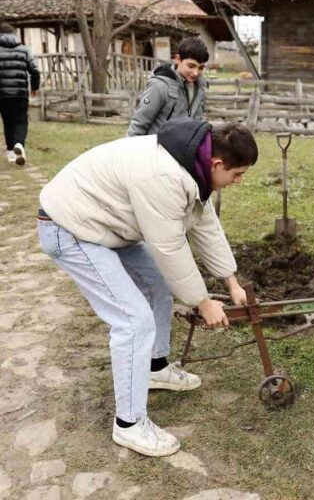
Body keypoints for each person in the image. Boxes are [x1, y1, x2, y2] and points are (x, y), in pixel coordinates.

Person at [37, 117, 258, 456]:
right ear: (216, 163)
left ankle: (155, 368)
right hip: (71, 226)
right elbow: (169, 247)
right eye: (238, 174)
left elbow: (204, 223)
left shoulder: (194, 167)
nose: (240, 182)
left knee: (156, 286)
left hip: (107, 222)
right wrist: (202, 302)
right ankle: (129, 424)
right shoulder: (164, 177)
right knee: (132, 320)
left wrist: (230, 280)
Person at [127, 36, 209, 137]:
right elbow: (139, 123)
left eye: (201, 68)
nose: (196, 73)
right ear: (178, 59)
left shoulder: (200, 88)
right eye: (191, 66)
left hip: (183, 150)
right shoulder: (159, 86)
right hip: (156, 148)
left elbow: (197, 121)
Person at [0, 22, 40, 165]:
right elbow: (34, 70)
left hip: (2, 94)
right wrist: (35, 87)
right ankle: (19, 144)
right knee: (21, 120)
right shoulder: (24, 50)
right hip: (20, 93)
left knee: (8, 121)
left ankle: (11, 152)